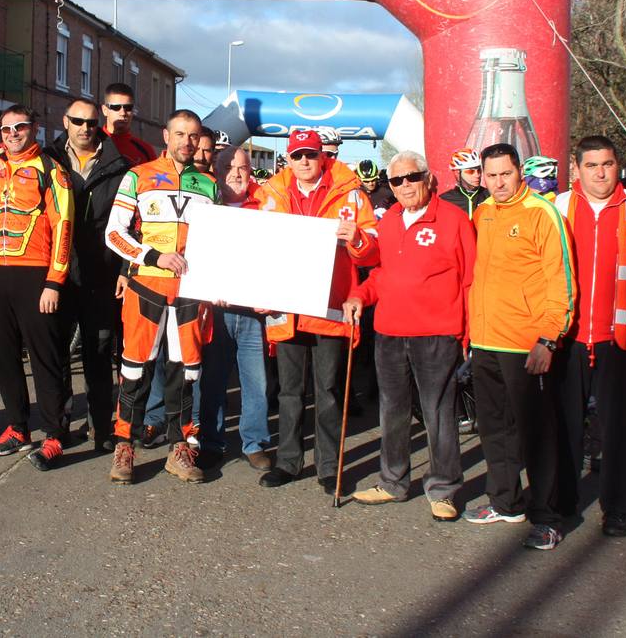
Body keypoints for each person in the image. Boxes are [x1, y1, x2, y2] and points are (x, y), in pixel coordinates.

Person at [551, 135, 626, 538]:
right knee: (563, 427)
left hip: (623, 338)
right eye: (591, 166)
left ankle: (619, 505)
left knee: (623, 427)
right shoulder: (558, 207)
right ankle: (563, 504)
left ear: (618, 166)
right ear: (576, 169)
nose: (600, 173)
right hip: (567, 337)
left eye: (607, 164)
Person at [344, 151, 474, 520]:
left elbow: (470, 279)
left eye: (411, 177)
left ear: (429, 179)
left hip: (436, 333)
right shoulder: (389, 222)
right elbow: (382, 274)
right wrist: (360, 296)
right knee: (392, 411)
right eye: (396, 180)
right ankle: (392, 481)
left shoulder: (453, 219)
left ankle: (444, 487)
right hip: (389, 331)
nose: (404, 186)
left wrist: (467, 334)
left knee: (438, 413)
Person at [464, 143, 576, 552]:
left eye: (505, 174)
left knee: (537, 434)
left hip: (526, 343)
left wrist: (549, 337)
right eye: (490, 176)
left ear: (519, 173)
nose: (498, 183)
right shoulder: (484, 213)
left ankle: (547, 517)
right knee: (494, 428)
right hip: (486, 340)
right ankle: (505, 501)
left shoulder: (542, 213)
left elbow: (560, 279)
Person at [257, 128, 379, 492]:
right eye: (298, 156)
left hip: (330, 306)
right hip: (287, 306)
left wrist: (356, 238)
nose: (305, 161)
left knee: (327, 391)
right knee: (289, 392)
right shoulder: (271, 194)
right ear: (288, 159)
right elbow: (257, 248)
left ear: (323, 156)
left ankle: (329, 466)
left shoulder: (352, 195)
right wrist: (256, 291)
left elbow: (373, 252)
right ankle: (289, 462)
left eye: (311, 154)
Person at [104, 109, 219, 485]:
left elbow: (219, 245)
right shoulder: (138, 176)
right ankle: (125, 445)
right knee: (135, 370)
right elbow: (114, 234)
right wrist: (153, 257)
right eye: (181, 134)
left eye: (194, 136)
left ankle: (180, 448)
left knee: (185, 373)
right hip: (147, 288)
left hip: (189, 294)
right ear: (166, 136)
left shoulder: (209, 184)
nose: (187, 142)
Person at [0, 106, 74, 470]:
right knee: (2, 356)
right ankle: (17, 426)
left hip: (35, 274)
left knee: (44, 357)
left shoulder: (50, 170)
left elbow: (64, 225)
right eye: (6, 129)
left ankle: (54, 433)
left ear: (34, 128)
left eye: (20, 127)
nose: (13, 134)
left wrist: (54, 281)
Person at [49, 99, 131, 452]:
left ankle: (101, 426)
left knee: (98, 354)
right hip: (58, 273)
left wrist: (126, 269)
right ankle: (59, 425)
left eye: (92, 122)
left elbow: (134, 226)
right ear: (65, 121)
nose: (85, 128)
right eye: (78, 121)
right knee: (56, 354)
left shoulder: (122, 167)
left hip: (102, 274)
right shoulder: (46, 160)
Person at [198, 146, 275, 471]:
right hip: (215, 309)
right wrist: (208, 287)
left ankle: (254, 443)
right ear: (217, 170)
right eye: (229, 167)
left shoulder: (268, 207)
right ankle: (211, 442)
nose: (237, 173)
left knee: (255, 381)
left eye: (243, 167)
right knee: (212, 379)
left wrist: (272, 292)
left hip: (253, 312)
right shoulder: (204, 204)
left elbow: (279, 252)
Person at [101, 82, 157, 165]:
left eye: (128, 107)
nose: (123, 113)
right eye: (116, 107)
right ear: (105, 110)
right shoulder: (91, 145)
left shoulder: (146, 151)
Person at [440, 147, 486, 217]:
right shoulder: (444, 200)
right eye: (471, 171)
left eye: (479, 170)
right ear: (457, 173)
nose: (477, 175)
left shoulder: (489, 195)